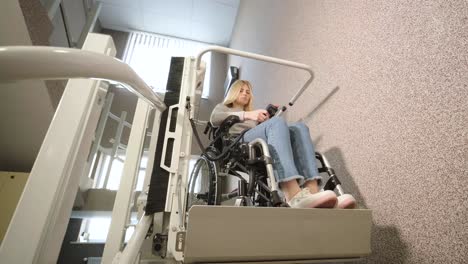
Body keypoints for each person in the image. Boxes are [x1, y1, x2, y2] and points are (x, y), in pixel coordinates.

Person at [210, 80, 356, 209]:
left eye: (248, 91)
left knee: (299, 127)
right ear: (233, 92)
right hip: (238, 143)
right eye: (241, 90)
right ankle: (292, 193)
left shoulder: (254, 113)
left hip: (257, 143)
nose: (245, 94)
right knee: (277, 123)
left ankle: (312, 191)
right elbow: (214, 119)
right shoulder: (223, 108)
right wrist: (247, 115)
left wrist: (265, 120)